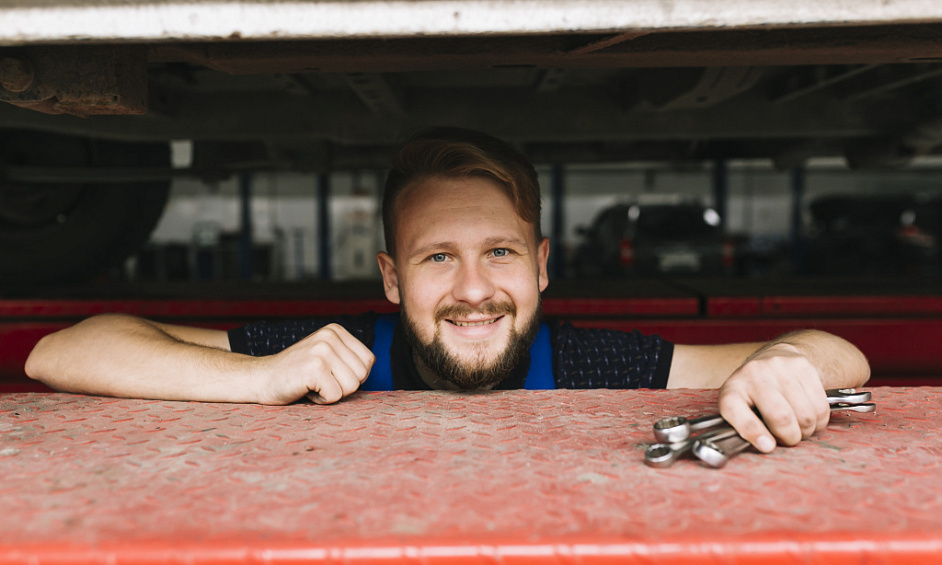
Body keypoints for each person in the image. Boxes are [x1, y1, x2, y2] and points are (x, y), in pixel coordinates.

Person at [25, 127, 870, 454]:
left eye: (500, 252)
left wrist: (784, 362)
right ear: (390, 278)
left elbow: (845, 357)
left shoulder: (588, 358)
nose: (475, 290)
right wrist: (259, 378)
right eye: (436, 259)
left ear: (541, 266)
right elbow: (61, 350)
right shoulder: (333, 351)